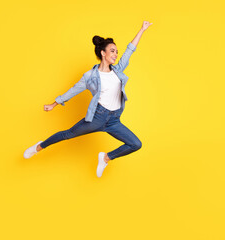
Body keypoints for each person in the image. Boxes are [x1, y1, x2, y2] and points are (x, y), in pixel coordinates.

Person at [23, 21, 153, 177]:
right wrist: (54, 104)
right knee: (67, 134)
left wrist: (142, 29)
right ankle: (39, 147)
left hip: (114, 120)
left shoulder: (117, 70)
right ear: (103, 53)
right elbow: (73, 90)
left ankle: (106, 158)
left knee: (135, 144)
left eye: (116, 52)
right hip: (97, 118)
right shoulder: (90, 76)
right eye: (112, 51)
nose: (115, 54)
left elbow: (130, 50)